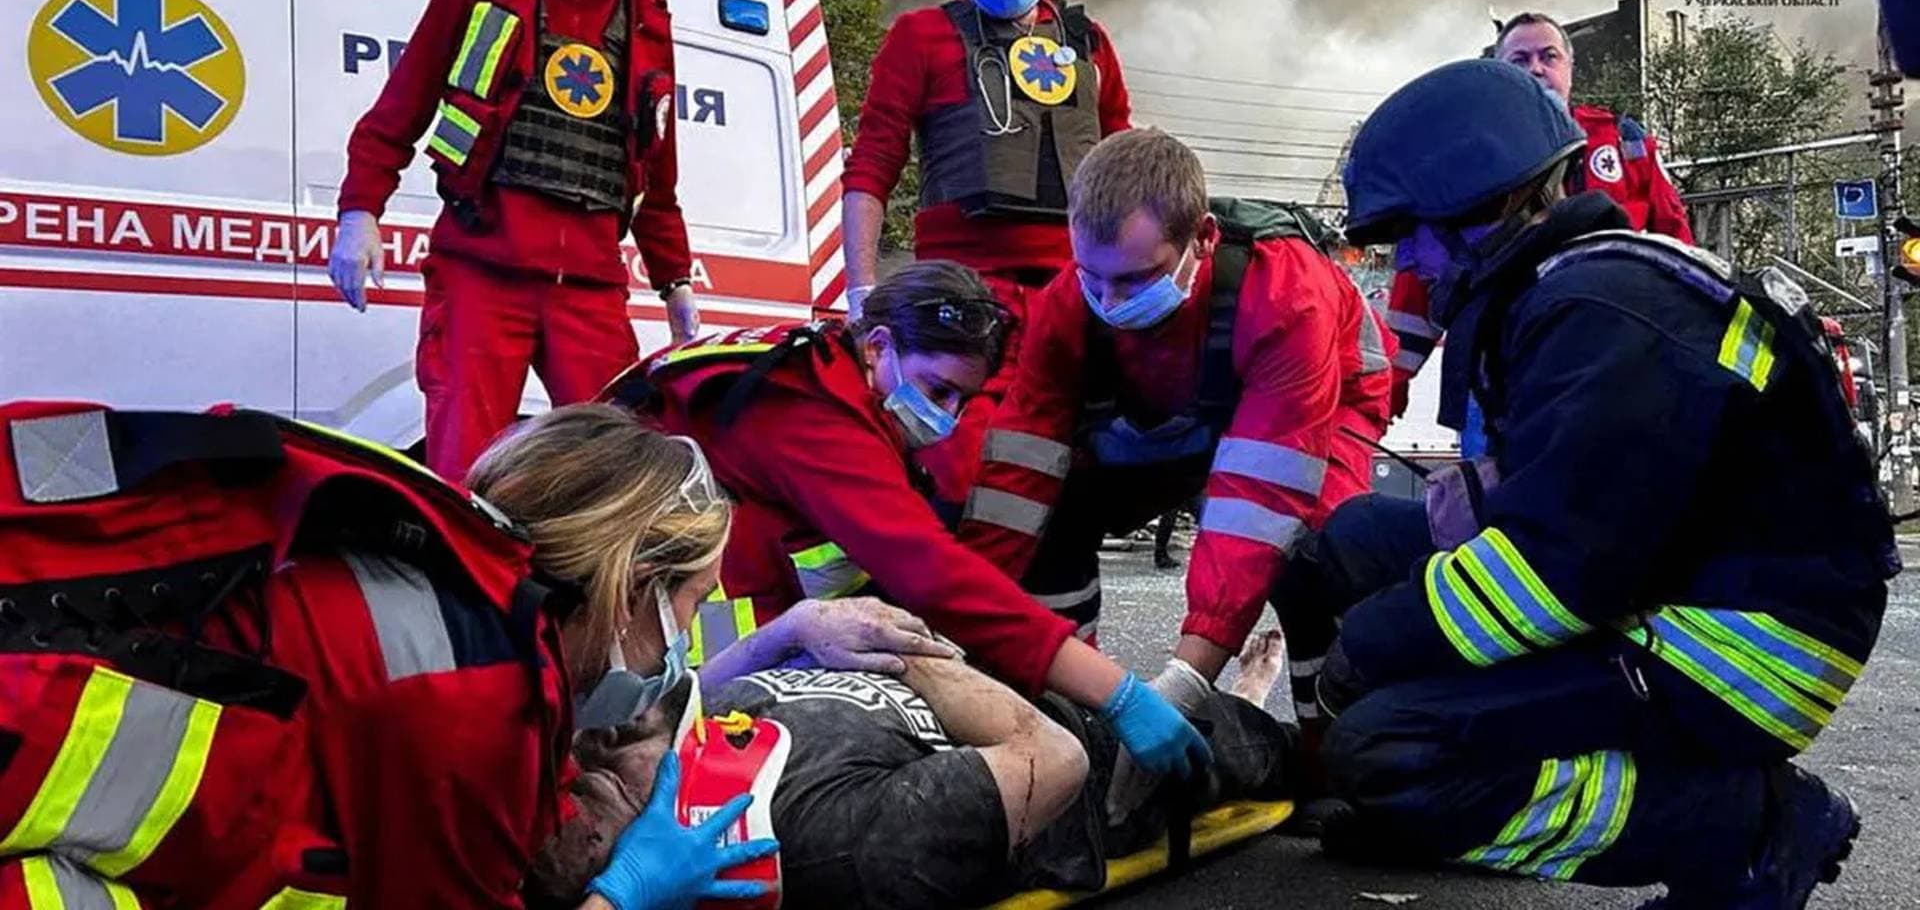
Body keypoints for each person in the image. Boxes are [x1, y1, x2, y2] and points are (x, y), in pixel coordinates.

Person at [1295, 59, 1894, 907]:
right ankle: (1390, 795)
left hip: (1741, 644)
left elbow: (1553, 575)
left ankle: (1748, 824)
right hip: (1670, 585)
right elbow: (1544, 505)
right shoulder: (1564, 290)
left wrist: (1374, 647)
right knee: (1348, 541)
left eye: (1414, 230)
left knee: (1389, 748)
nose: (1410, 258)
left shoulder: (1600, 311)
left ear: (1489, 203)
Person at [0, 400, 952, 909]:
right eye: (693, 606)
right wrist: (627, 893)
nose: (682, 654)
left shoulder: (439, 552)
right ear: (629, 589)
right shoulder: (474, 707)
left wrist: (781, 638)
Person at [612, 259, 1211, 782]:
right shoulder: (810, 414)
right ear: (878, 346)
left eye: (962, 400)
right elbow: (932, 573)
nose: (947, 415)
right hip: (643, 628)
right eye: (938, 389)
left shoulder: (829, 379)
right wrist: (1117, 694)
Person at [960, 128, 1393, 729]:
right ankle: (1068, 712)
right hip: (1183, 412)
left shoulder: (1287, 298)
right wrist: (968, 619)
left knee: (1313, 552)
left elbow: (1260, 503)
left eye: (1136, 280)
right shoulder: (1071, 300)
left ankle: (1330, 749)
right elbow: (1017, 476)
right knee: (1055, 514)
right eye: (1092, 274)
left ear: (1204, 238)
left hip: (1320, 407)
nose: (1108, 302)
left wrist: (1184, 680)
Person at [329, 0, 700, 482]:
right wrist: (360, 212)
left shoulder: (645, 14)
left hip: (590, 287)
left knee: (616, 474)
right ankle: (465, 588)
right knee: (463, 469)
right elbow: (404, 102)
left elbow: (657, 168)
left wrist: (675, 284)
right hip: (482, 269)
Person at [531, 631, 1300, 910]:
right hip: (1097, 764)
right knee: (1266, 750)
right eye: (596, 784)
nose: (594, 746)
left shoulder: (685, 734)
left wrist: (790, 632)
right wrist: (909, 646)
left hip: (1005, 695)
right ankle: (1248, 703)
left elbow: (685, 687)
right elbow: (1052, 759)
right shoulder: (834, 840)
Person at [840, 0, 1133, 500]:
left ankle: (1053, 599)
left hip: (1073, 294)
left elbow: (1124, 175)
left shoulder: (1090, 44)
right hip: (964, 297)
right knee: (964, 471)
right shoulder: (920, 37)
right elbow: (871, 166)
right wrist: (862, 290)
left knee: (1074, 473)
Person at [1381, 11, 1695, 420]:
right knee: (1500, 481)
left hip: (1620, 367)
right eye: (1520, 60)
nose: (1536, 69)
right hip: (1507, 372)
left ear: (1570, 68)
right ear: (1499, 76)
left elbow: (1679, 251)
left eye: (1549, 56)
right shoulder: (1467, 164)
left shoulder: (1624, 144)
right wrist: (1384, 392)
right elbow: (1423, 283)